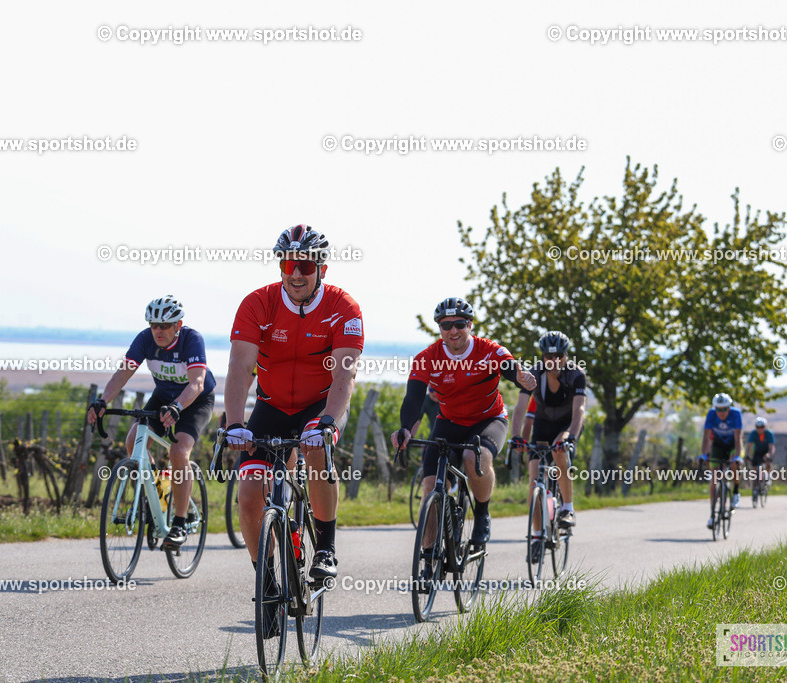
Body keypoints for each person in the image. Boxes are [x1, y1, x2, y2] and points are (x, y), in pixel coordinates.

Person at [223, 225, 362, 633]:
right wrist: (234, 423)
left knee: (316, 450)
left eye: (304, 265)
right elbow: (239, 369)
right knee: (249, 492)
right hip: (271, 406)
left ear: (321, 267)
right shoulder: (258, 303)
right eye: (288, 264)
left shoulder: (343, 307)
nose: (295, 273)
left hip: (321, 405)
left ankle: (326, 548)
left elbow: (344, 376)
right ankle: (265, 580)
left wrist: (328, 421)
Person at [391, 297, 534, 551]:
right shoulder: (428, 357)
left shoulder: (488, 350)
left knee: (473, 457)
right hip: (449, 422)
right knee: (430, 487)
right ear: (439, 329)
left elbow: (510, 368)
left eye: (459, 324)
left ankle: (482, 514)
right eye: (446, 326)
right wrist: (404, 427)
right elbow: (413, 398)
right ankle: (427, 556)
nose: (453, 330)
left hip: (489, 420)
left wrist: (520, 376)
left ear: (470, 325)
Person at [87, 295, 215, 548]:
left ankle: (178, 523)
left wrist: (178, 407)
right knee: (134, 441)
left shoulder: (192, 339)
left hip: (194, 400)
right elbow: (124, 372)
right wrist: (103, 400)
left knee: (179, 452)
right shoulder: (145, 339)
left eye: (164, 326)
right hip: (163, 397)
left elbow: (196, 383)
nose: (157, 330)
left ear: (178, 325)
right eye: (153, 325)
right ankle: (154, 492)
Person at [513, 331, 586, 563]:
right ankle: (536, 537)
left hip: (567, 424)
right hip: (543, 425)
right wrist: (516, 436)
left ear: (566, 355)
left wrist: (571, 437)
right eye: (548, 356)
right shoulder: (533, 373)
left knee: (559, 450)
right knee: (534, 478)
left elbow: (579, 412)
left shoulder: (576, 374)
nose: (553, 360)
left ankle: (567, 507)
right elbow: (520, 407)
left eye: (559, 355)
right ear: (542, 356)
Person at [699, 393, 743, 529]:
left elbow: (738, 437)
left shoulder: (736, 414)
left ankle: (735, 492)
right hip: (718, 445)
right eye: (718, 409)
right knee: (713, 478)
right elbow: (706, 437)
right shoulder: (711, 414)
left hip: (732, 446)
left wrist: (737, 456)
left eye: (724, 409)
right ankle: (712, 514)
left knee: (735, 465)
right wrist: (703, 455)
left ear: (729, 408)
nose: (721, 412)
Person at [745, 416, 775, 503]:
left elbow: (771, 447)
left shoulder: (769, 433)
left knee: (767, 461)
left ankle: (768, 478)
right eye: (758, 427)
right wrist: (747, 455)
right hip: (757, 452)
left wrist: (769, 454)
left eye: (762, 427)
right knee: (754, 471)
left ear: (765, 427)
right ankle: (755, 488)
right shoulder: (753, 433)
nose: (760, 429)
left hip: (766, 451)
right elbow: (749, 445)